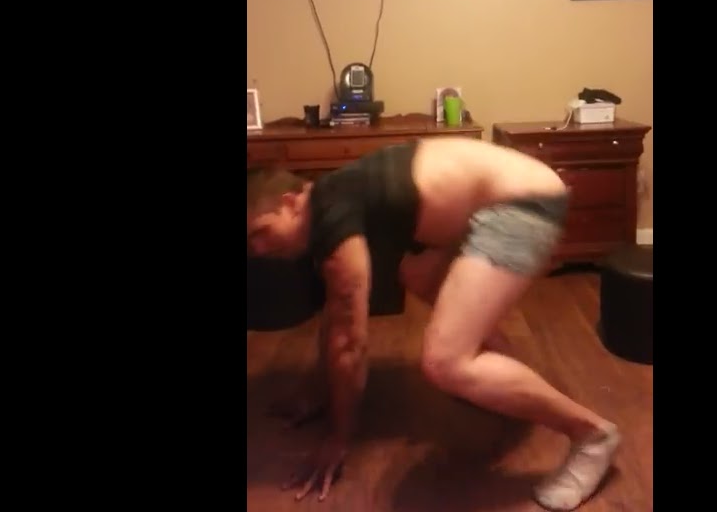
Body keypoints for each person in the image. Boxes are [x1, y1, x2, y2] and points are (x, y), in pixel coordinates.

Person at [246, 137, 621, 510]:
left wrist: (339, 437)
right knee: (416, 272)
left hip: (520, 202)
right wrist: (319, 387)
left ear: (290, 202)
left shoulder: (331, 213)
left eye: (259, 232)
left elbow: (348, 339)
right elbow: (337, 311)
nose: (259, 250)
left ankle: (592, 434)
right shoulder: (334, 195)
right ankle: (500, 373)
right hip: (504, 194)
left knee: (444, 362)